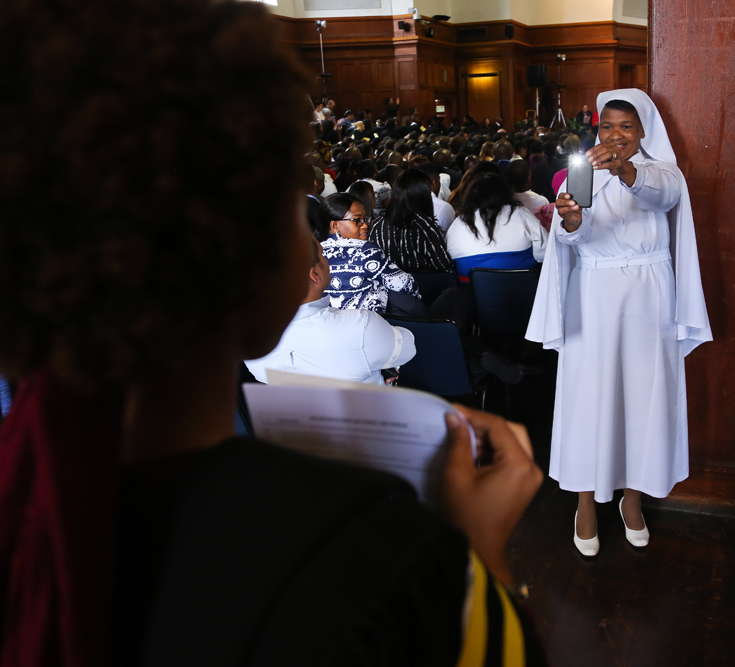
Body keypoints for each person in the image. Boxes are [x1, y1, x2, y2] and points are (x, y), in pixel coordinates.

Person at [0, 0, 546, 665]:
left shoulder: (27, 496)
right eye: (298, 207)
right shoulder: (378, 557)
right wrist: (479, 555)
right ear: (247, 261)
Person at [526, 88, 712, 557]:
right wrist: (569, 221)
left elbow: (660, 195)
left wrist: (625, 170)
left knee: (642, 398)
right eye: (607, 126)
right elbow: (581, 234)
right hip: (594, 294)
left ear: (644, 131)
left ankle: (633, 499)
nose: (615, 135)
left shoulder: (661, 172)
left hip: (649, 298)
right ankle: (585, 502)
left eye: (626, 127)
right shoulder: (581, 173)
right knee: (591, 396)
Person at [245, 239, 416, 384]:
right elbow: (408, 347)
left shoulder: (250, 338)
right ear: (315, 274)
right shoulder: (360, 326)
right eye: (322, 254)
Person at [315, 193, 422, 313]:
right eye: (357, 220)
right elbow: (404, 284)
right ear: (335, 225)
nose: (365, 225)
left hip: (326, 324)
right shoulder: (365, 250)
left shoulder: (314, 251)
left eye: (365, 219)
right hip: (364, 324)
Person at [446, 173, 547, 279]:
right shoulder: (522, 214)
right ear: (506, 192)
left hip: (472, 292)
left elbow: (450, 256)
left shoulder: (458, 223)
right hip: (521, 289)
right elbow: (544, 253)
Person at [367, 169, 453, 272]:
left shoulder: (378, 224)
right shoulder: (425, 225)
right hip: (424, 285)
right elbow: (444, 264)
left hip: (387, 284)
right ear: (423, 194)